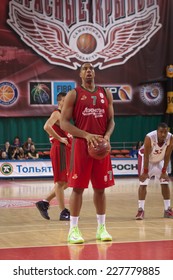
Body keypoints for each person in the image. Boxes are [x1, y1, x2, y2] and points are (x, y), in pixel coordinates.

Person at [60, 62, 115, 244]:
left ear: (95, 73)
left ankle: (102, 228)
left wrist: (106, 136)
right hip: (82, 146)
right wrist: (86, 135)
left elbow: (112, 120)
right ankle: (73, 230)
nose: (89, 70)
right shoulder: (73, 94)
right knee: (78, 188)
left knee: (100, 189)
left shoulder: (105, 93)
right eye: (85, 68)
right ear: (80, 74)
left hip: (101, 146)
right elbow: (64, 123)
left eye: (91, 68)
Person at [36, 92, 72, 221]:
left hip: (66, 149)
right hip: (59, 148)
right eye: (65, 100)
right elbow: (46, 126)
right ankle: (63, 211)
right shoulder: (56, 113)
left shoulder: (65, 115)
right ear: (60, 101)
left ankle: (44, 202)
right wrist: (60, 139)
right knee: (61, 181)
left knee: (68, 182)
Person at [136, 122, 173, 220]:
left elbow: (167, 155)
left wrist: (164, 171)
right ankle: (141, 210)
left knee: (165, 182)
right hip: (145, 159)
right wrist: (145, 171)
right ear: (157, 132)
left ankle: (167, 209)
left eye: (165, 132)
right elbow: (147, 155)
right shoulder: (149, 137)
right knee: (143, 183)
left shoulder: (170, 137)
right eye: (161, 132)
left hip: (159, 160)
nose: (163, 134)